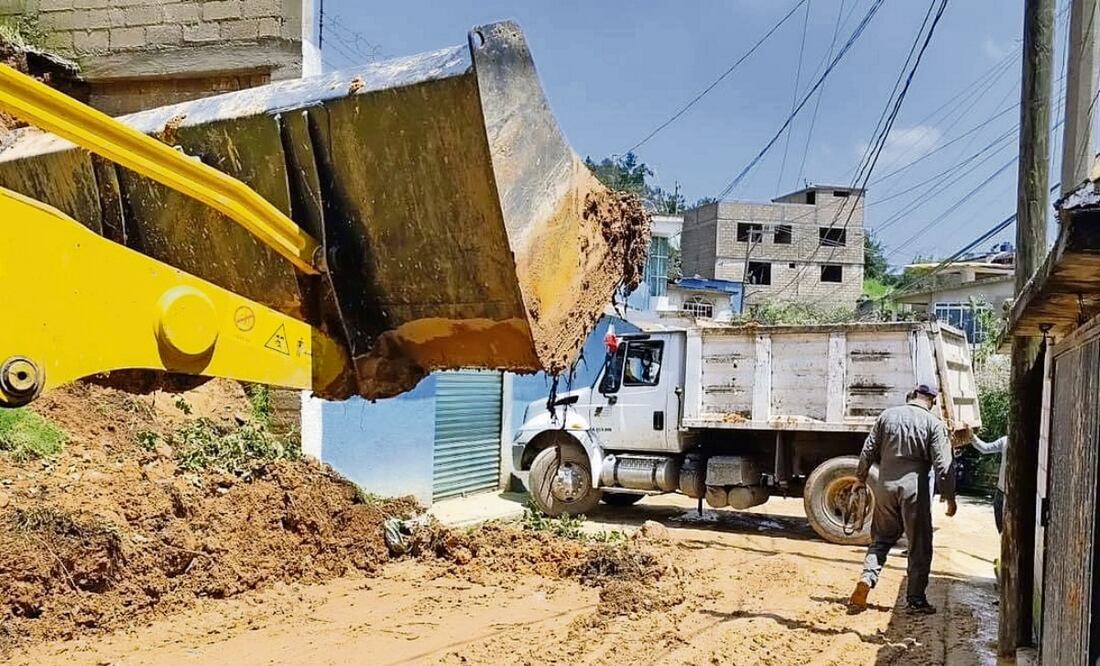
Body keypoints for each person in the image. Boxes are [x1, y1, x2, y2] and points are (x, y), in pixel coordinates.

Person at [848, 384, 957, 615]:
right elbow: (944, 467)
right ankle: (916, 600)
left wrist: (860, 478)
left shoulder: (887, 416)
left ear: (912, 397)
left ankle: (867, 578)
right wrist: (949, 497)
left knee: (881, 540)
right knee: (918, 545)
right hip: (914, 491)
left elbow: (868, 450)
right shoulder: (934, 424)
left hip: (885, 487)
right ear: (933, 402)